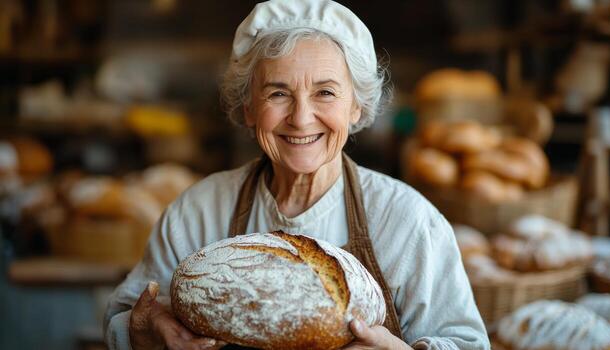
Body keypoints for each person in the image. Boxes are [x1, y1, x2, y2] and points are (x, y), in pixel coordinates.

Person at [104, 1, 490, 349]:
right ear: (249, 107)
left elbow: (469, 344)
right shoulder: (198, 211)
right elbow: (123, 319)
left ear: (355, 107)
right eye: (277, 93)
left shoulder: (408, 221)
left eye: (325, 93)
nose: (301, 118)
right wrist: (146, 328)